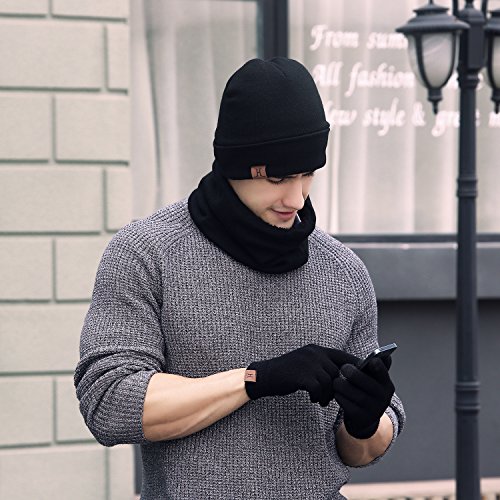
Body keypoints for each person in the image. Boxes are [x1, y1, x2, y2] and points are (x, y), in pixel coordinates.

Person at [75, 57, 405, 500]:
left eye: (308, 174)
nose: (296, 197)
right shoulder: (147, 253)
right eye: (278, 176)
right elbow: (109, 402)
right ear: (235, 164)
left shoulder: (343, 271)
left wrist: (365, 421)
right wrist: (254, 380)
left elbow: (360, 451)